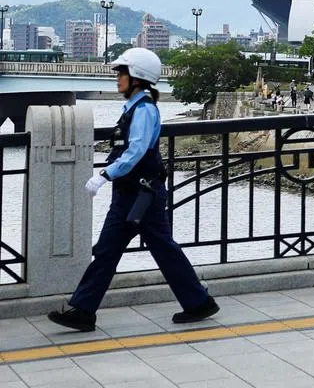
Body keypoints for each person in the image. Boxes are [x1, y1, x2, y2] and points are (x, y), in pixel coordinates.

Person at [47, 48, 219, 332]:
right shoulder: (132, 109)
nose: (117, 78)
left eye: (121, 73)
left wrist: (104, 174)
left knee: (162, 248)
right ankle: (83, 310)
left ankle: (199, 301)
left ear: (137, 77)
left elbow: (137, 150)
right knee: (107, 250)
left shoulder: (144, 110)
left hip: (143, 195)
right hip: (128, 194)